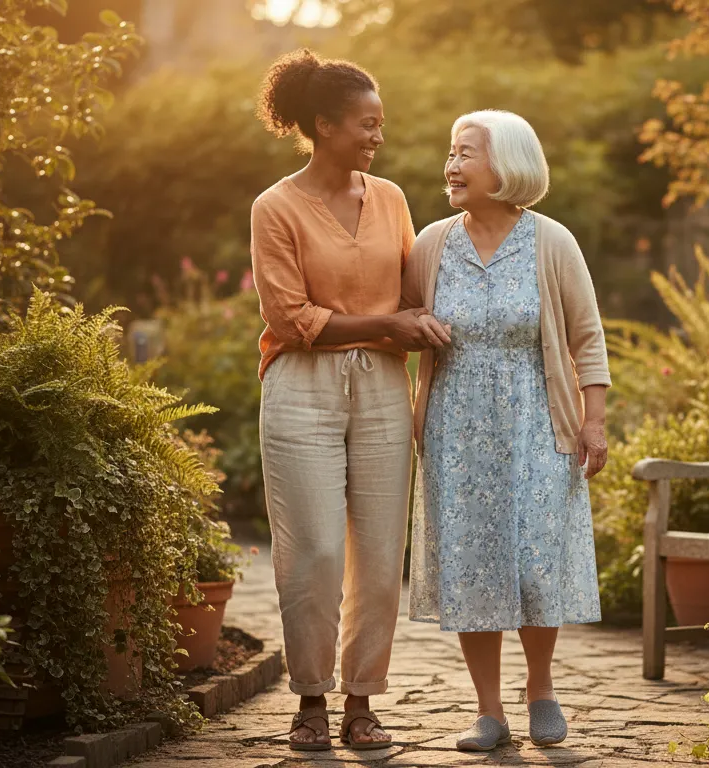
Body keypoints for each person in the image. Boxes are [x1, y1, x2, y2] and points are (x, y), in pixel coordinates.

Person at [250, 49, 451, 752]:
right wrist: (388, 324)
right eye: (366, 124)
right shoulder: (274, 207)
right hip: (301, 386)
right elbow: (288, 317)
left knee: (377, 548)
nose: (377, 136)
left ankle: (361, 700)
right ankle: (310, 699)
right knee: (311, 551)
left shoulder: (391, 198)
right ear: (323, 125)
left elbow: (413, 291)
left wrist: (418, 322)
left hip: (381, 388)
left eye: (381, 124)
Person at [401, 109, 610, 751]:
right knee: (472, 563)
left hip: (537, 423)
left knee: (537, 561)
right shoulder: (432, 242)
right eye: (452, 152)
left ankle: (541, 689)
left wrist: (593, 419)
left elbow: (587, 336)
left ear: (507, 166)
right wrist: (415, 326)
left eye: (466, 153)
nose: (452, 165)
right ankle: (488, 711)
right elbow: (404, 318)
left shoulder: (552, 241)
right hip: (454, 430)